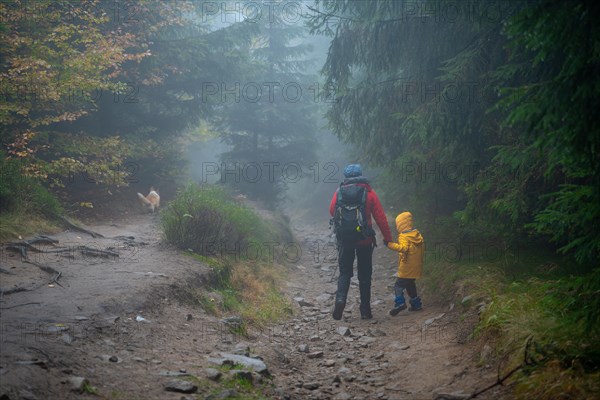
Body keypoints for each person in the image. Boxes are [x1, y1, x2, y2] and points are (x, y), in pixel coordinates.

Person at [330, 164, 393, 320]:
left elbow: (332, 210)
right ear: (360, 174)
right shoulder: (369, 192)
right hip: (365, 240)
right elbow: (380, 218)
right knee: (365, 275)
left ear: (346, 177)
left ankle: (340, 299)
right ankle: (365, 310)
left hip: (345, 240)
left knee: (344, 272)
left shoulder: (339, 191)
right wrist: (388, 238)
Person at [386, 211, 424, 315]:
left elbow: (403, 248)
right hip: (416, 266)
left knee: (398, 285)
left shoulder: (404, 236)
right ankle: (416, 305)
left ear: (401, 224)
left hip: (407, 267)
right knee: (410, 284)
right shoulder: (417, 234)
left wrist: (390, 245)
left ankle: (400, 303)